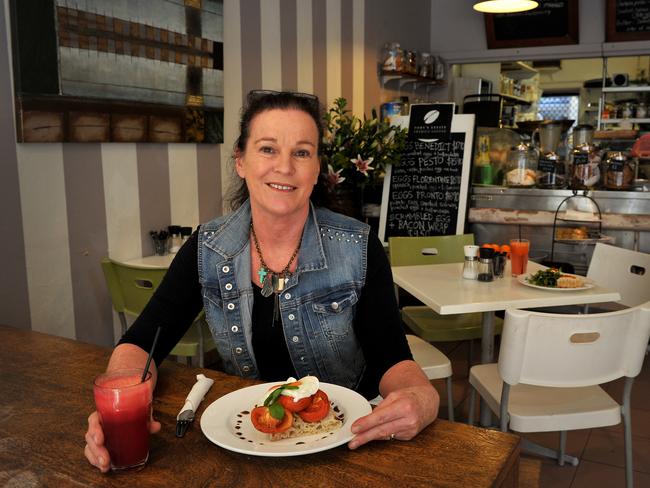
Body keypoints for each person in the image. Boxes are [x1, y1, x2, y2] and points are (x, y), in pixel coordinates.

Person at [85, 90, 439, 472]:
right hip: (245, 445)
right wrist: (121, 394)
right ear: (240, 160)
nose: (284, 167)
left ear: (317, 167)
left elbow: (393, 359)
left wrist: (419, 397)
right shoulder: (208, 247)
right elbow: (140, 343)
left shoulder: (358, 246)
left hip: (347, 444)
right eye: (268, 149)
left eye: (302, 152)